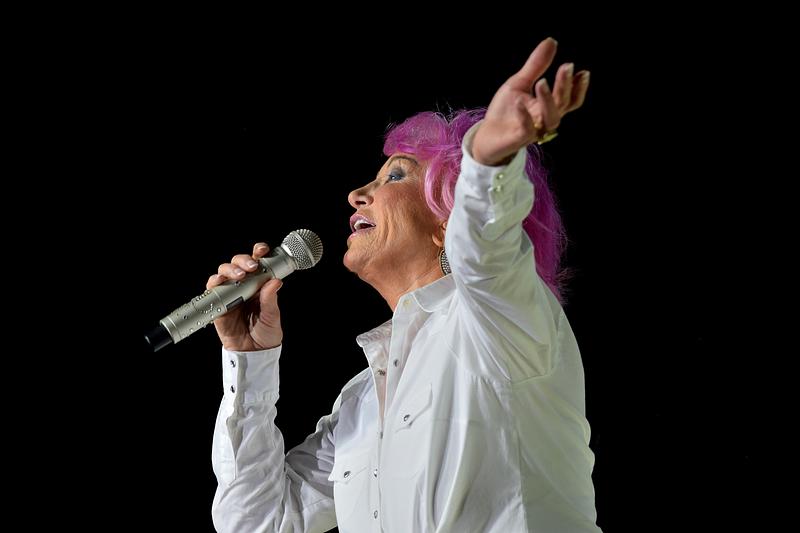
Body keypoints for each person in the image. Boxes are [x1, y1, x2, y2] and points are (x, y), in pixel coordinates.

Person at [207, 37, 599, 532]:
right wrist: (250, 360)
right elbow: (255, 519)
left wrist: (486, 162)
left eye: (395, 176)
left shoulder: (501, 323)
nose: (357, 194)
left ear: (447, 220)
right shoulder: (361, 402)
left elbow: (486, 247)